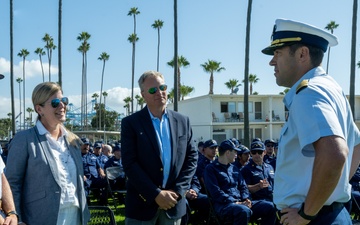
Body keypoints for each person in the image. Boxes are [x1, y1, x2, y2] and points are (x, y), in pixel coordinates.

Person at [262, 18, 360, 225]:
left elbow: (335, 153)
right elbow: (356, 147)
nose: (272, 61)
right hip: (328, 213)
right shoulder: (331, 88)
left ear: (302, 54)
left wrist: (307, 213)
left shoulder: (309, 92)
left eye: (278, 53)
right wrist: (331, 190)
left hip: (312, 218)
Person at [5, 82, 90, 225]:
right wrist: (16, 217)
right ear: (39, 109)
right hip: (40, 218)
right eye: (55, 103)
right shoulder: (24, 139)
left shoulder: (73, 141)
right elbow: (12, 183)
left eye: (64, 101)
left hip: (76, 216)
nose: (62, 106)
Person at [121, 71, 198, 224]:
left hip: (173, 205)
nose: (159, 92)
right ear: (143, 94)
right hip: (141, 207)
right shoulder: (131, 123)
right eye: (152, 90)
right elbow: (130, 163)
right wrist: (155, 194)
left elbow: (192, 158)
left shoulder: (183, 121)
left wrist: (177, 192)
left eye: (162, 87)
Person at [204, 139, 276, 225]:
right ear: (227, 153)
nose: (236, 155)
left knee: (270, 207)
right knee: (243, 211)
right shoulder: (211, 169)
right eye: (235, 152)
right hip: (224, 205)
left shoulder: (234, 168)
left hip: (241, 203)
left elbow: (243, 187)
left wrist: (246, 199)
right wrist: (235, 202)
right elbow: (215, 192)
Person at [81, 139, 107, 205]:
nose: (86, 146)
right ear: (80, 145)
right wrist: (81, 175)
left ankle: (102, 201)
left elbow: (99, 167)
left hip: (95, 178)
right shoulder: (78, 156)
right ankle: (86, 202)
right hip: (85, 178)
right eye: (84, 145)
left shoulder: (93, 156)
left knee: (107, 181)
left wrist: (102, 173)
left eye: (87, 145)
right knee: (84, 184)